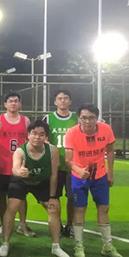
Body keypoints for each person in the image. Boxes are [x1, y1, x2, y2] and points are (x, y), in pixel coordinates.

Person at [0, 120, 70, 257]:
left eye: (41, 134)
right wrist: (20, 172)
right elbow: (14, 168)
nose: (37, 137)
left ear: (46, 137)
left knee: (54, 208)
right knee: (12, 206)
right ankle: (5, 243)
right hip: (21, 181)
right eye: (34, 133)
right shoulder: (20, 151)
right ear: (28, 135)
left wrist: (53, 197)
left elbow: (54, 175)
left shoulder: (52, 150)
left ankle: (56, 246)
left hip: (41, 181)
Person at [65, 103, 122, 257]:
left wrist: (110, 173)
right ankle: (78, 245)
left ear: (97, 118)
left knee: (104, 208)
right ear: (79, 118)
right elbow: (68, 160)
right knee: (79, 209)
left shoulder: (106, 130)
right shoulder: (72, 133)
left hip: (100, 176)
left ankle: (107, 246)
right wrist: (79, 170)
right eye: (84, 118)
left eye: (91, 118)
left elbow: (110, 151)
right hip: (79, 177)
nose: (87, 121)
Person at [0, 92, 35, 238]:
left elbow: (30, 141)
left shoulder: (25, 121)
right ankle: (3, 223)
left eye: (16, 101)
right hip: (2, 165)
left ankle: (22, 224)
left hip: (19, 166)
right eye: (10, 101)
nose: (13, 103)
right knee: (2, 196)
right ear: (5, 104)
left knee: (22, 196)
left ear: (19, 104)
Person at [43, 89, 78, 238]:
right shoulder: (48, 118)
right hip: (55, 166)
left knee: (72, 197)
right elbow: (42, 137)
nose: (63, 100)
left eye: (66, 98)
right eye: (60, 98)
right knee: (54, 197)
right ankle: (57, 224)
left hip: (73, 165)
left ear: (70, 101)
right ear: (55, 102)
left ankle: (70, 224)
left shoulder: (77, 118)